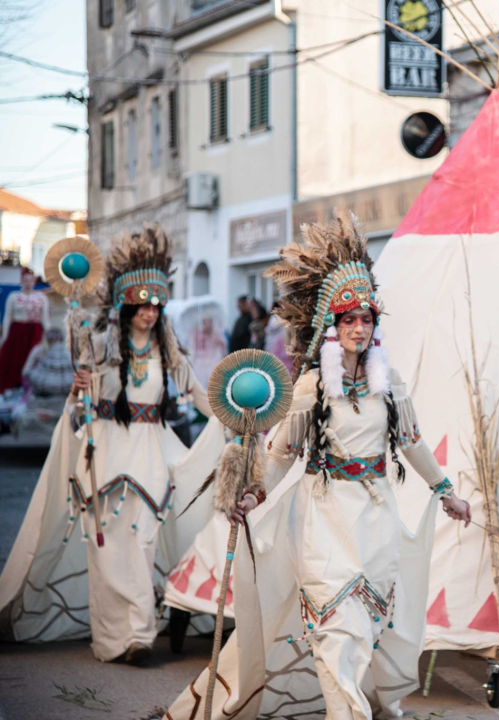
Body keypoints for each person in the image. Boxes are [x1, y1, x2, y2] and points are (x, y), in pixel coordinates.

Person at [165, 215, 472, 720]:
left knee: (365, 627)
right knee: (335, 627)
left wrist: (445, 491)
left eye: (366, 319)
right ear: (332, 326)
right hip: (324, 516)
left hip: (376, 517)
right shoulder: (310, 388)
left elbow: (412, 443)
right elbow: (283, 454)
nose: (358, 328)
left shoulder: (390, 382)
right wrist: (252, 493)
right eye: (348, 319)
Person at [0, 227, 224, 665]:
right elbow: (79, 409)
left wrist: (234, 416)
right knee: (104, 550)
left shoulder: (169, 353)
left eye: (156, 305)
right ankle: (110, 640)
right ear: (126, 306)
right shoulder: (99, 347)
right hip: (104, 454)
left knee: (141, 543)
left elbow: (198, 393)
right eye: (142, 305)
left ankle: (140, 636)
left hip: (151, 454)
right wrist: (79, 389)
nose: (150, 313)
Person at [0, 267, 49, 392]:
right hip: (17, 333)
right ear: (21, 281)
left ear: (34, 281)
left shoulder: (42, 298)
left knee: (32, 359)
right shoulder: (14, 297)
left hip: (34, 333)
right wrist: (5, 338)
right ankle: (12, 388)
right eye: (25, 280)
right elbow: (7, 318)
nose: (28, 283)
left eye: (30, 280)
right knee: (14, 360)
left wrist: (48, 337)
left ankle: (29, 389)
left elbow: (45, 319)